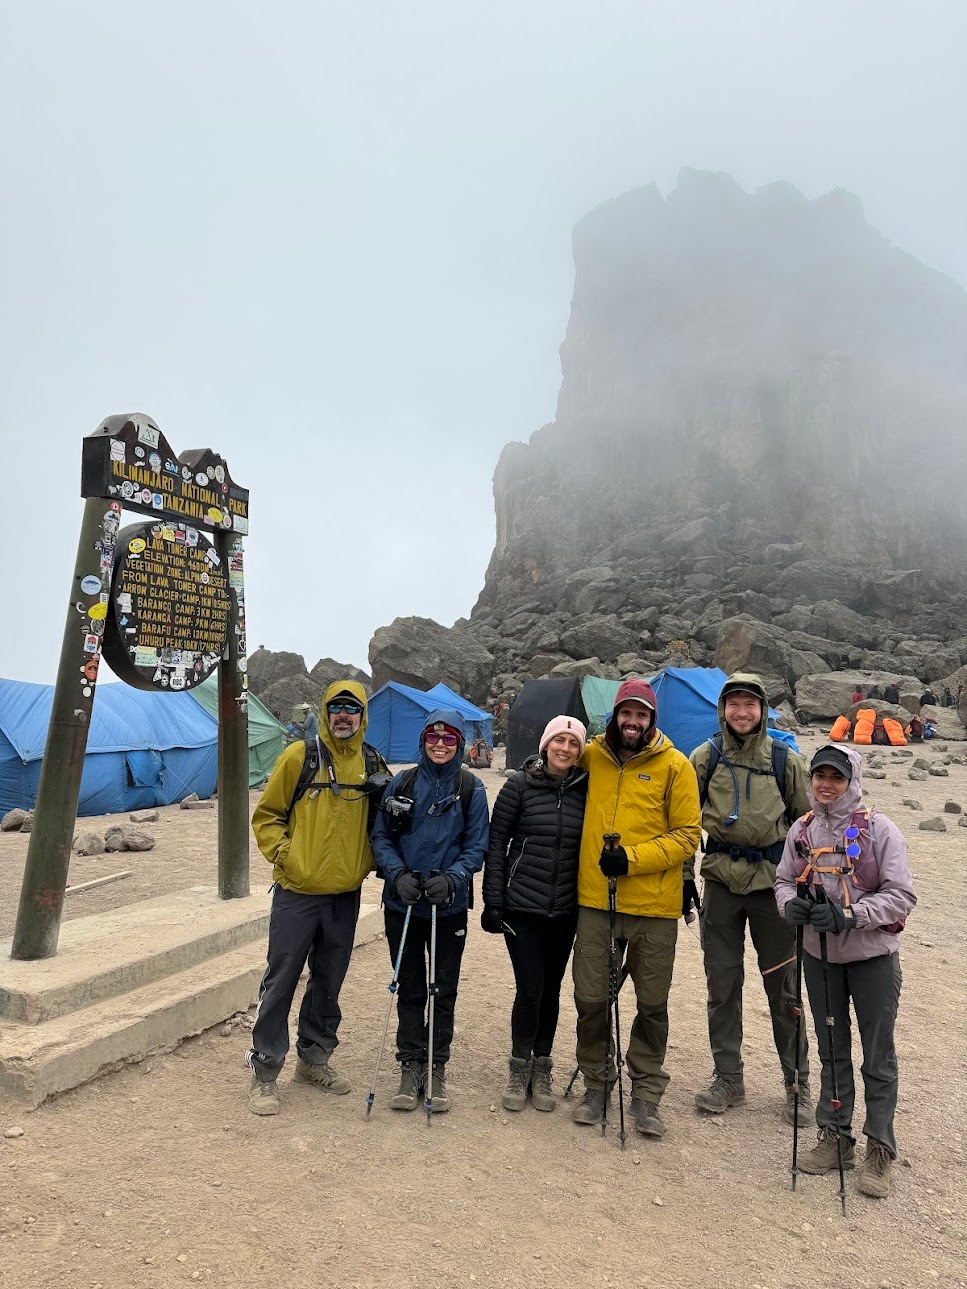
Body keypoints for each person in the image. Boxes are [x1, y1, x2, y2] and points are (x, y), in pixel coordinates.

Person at [776, 745, 916, 1198]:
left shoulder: (878, 829)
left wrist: (851, 916)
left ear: (851, 780)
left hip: (872, 957)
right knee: (831, 1049)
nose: (826, 784)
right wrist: (790, 906)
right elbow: (783, 880)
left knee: (877, 1054)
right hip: (820, 957)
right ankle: (835, 1136)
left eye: (836, 776)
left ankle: (880, 1146)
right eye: (819, 775)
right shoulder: (801, 831)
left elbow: (901, 895)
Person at [248, 680, 388, 1115]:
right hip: (297, 892)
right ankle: (265, 1070)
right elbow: (268, 815)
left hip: (345, 895)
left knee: (329, 981)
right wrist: (288, 858)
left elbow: (383, 822)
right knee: (282, 978)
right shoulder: (299, 756)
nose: (343, 716)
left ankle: (314, 1058)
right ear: (325, 714)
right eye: (336, 708)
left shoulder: (371, 763)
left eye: (352, 709)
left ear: (362, 716)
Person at [570, 679, 702, 1139]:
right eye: (626, 714)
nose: (632, 722)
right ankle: (597, 1083)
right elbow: (559, 756)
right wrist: (539, 763)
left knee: (651, 1005)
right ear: (614, 716)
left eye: (641, 715)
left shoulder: (675, 767)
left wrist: (631, 860)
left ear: (652, 720)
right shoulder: (593, 755)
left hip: (654, 906)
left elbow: (688, 835)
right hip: (594, 901)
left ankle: (646, 1094)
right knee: (590, 999)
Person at [687, 674, 813, 1124]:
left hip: (773, 889)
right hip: (720, 884)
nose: (742, 712)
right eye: (734, 704)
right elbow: (683, 822)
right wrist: (685, 875)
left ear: (762, 710)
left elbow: (808, 825)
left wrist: (807, 886)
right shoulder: (705, 757)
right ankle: (728, 1078)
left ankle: (797, 1081)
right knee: (722, 986)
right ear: (723, 710)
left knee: (784, 989)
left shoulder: (786, 760)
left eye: (750, 705)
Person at [372, 709, 489, 1114]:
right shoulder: (401, 782)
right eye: (434, 739)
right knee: (408, 986)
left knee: (443, 988)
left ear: (459, 744)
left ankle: (435, 1066)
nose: (440, 745)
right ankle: (410, 1065)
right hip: (402, 903)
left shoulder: (471, 788)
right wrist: (396, 873)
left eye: (450, 740)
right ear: (424, 740)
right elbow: (381, 836)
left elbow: (478, 846)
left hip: (448, 906)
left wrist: (455, 878)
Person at [481, 715, 589, 1112]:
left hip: (565, 908)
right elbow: (497, 845)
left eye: (573, 743)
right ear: (545, 746)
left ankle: (542, 1066)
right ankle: (519, 1065)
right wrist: (494, 902)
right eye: (559, 741)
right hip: (522, 906)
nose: (565, 749)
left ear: (580, 752)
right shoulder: (518, 785)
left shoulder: (585, 789)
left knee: (553, 989)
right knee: (530, 989)